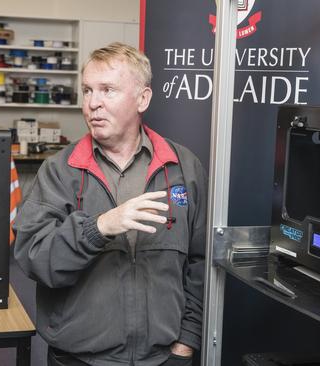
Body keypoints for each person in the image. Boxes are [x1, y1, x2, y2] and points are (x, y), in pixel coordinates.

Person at [14, 42, 207, 366]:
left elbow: (201, 263)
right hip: (78, 358)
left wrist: (187, 342)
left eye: (107, 90)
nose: (92, 104)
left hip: (164, 358)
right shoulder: (61, 170)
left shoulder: (183, 166)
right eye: (87, 90)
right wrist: (99, 227)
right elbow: (35, 259)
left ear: (142, 99)